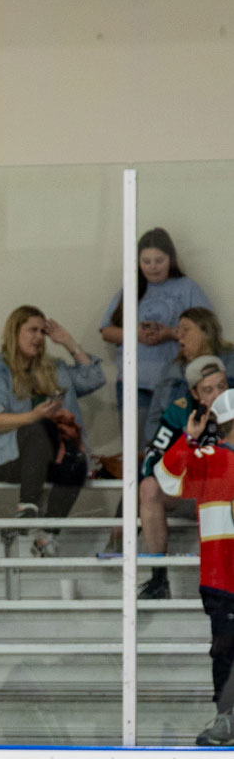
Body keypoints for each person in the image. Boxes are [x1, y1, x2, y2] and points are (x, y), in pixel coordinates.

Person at [0, 306, 105, 552]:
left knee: (76, 456)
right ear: (14, 332)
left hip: (45, 459)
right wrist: (33, 416)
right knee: (37, 429)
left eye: (42, 332)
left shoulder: (54, 369)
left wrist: (68, 342)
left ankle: (47, 535)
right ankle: (26, 508)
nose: (38, 337)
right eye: (32, 330)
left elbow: (94, 378)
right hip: (1, 458)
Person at [152, 385, 234, 745]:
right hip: (222, 577)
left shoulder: (209, 457)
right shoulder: (207, 457)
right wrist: (188, 439)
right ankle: (227, 718)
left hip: (219, 575)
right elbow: (166, 479)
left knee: (225, 650)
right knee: (225, 650)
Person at [99, 228, 210, 435]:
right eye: (146, 261)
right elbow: (107, 331)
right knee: (138, 445)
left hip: (175, 382)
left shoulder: (187, 287)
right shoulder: (131, 288)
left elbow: (205, 330)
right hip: (134, 382)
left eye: (159, 260)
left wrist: (170, 333)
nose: (153, 267)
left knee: (173, 442)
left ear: (171, 259)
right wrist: (136, 334)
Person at [137, 355, 230, 597]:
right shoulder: (179, 412)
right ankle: (159, 579)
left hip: (227, 497)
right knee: (149, 487)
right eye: (208, 390)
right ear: (194, 394)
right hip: (192, 494)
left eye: (222, 386)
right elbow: (151, 462)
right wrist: (188, 441)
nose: (218, 395)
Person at [139, 306, 233, 451]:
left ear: (206, 332)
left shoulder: (229, 363)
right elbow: (154, 418)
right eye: (178, 330)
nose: (179, 335)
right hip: (179, 448)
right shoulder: (171, 370)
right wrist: (164, 449)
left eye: (186, 329)